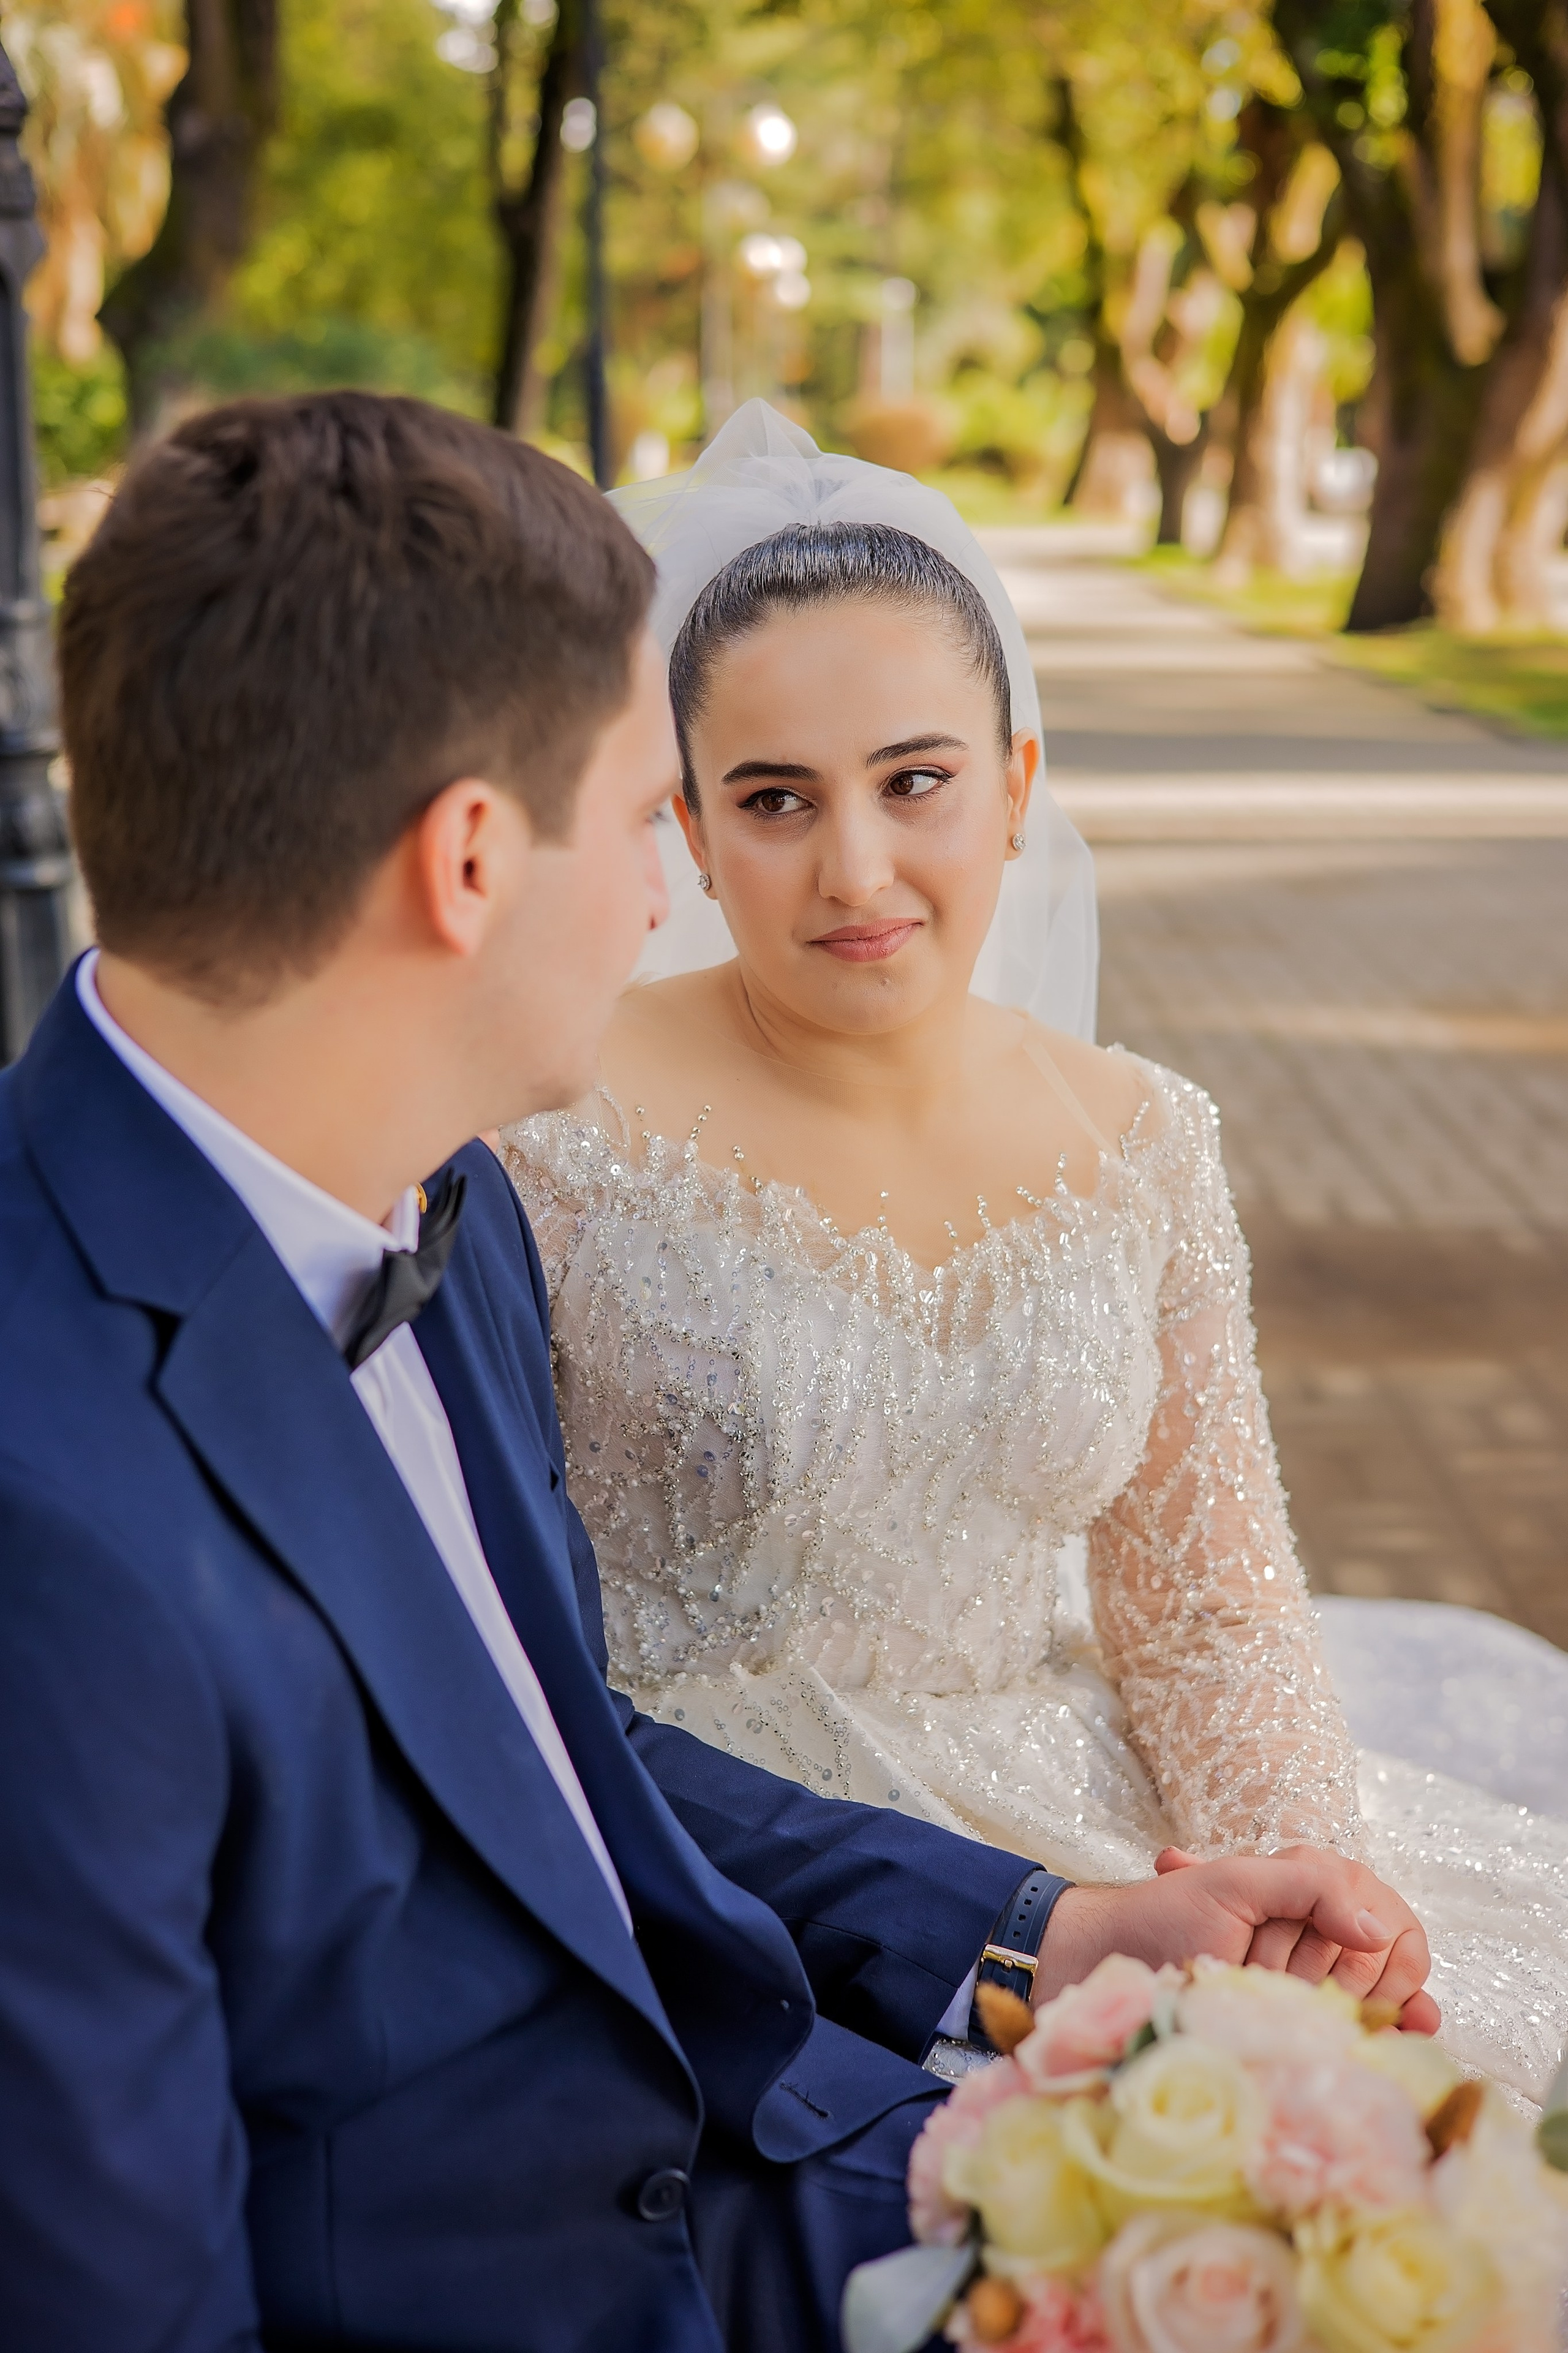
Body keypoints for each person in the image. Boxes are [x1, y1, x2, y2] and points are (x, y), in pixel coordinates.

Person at [0, 391, 1431, 2353]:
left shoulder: (422, 1206)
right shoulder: (53, 1509)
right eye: (648, 815)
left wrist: (1052, 1927)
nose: (669, 895)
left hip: (778, 2129)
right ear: (473, 861)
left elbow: (559, 1746)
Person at [505, 400, 1568, 2111]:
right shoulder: (552, 1125)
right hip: (733, 1868)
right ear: (690, 831)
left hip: (1096, 1812)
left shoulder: (1141, 1136)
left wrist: (1302, 1920)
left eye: (916, 782)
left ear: (1014, 788)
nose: (858, 869)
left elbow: (1208, 1610)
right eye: (776, 800)